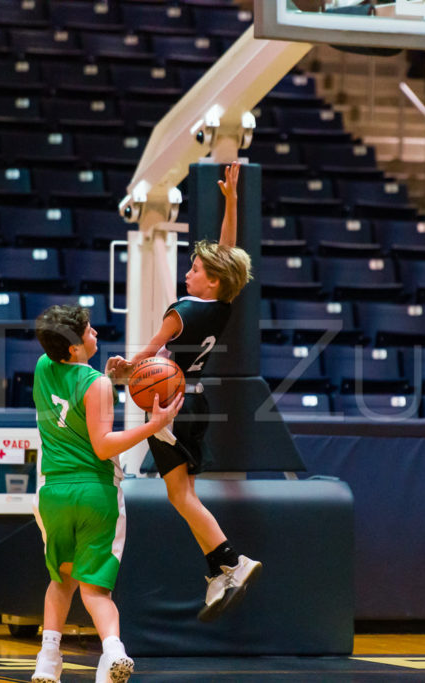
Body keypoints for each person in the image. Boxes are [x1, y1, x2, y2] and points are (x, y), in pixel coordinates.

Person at [106, 161, 262, 623]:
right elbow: (228, 253)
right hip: (195, 402)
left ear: (210, 280)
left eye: (194, 269)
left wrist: (122, 368)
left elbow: (149, 353)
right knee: (183, 493)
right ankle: (218, 569)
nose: (188, 273)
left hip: (168, 406)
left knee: (182, 497)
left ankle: (232, 561)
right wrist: (231, 202)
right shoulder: (221, 306)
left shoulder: (180, 312)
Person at [30, 304, 182, 683]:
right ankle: (113, 651)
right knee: (96, 591)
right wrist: (155, 424)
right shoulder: (95, 384)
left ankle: (48, 659)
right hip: (95, 492)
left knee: (61, 580)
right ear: (74, 347)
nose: (95, 332)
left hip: (53, 492)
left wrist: (108, 380)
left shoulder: (42, 367)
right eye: (88, 331)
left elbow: (73, 400)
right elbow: (103, 446)